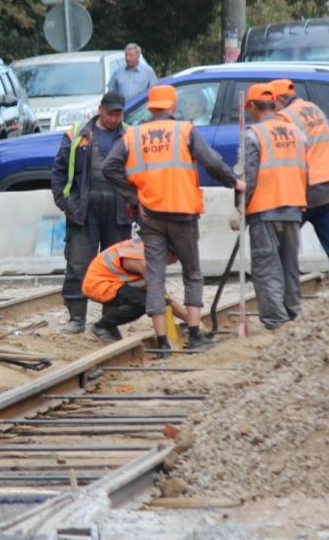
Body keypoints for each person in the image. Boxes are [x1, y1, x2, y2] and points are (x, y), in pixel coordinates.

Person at [102, 84, 245, 354]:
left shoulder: (133, 135)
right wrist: (234, 183)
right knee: (192, 272)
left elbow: (110, 167)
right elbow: (212, 163)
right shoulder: (185, 130)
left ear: (152, 107)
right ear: (172, 106)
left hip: (151, 214)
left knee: (155, 276)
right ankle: (194, 334)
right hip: (182, 212)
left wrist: (135, 197)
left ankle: (163, 342)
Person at [49, 89, 136, 336]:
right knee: (78, 263)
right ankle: (77, 317)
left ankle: (109, 321)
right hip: (83, 210)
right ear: (100, 110)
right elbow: (58, 171)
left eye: (119, 114)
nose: (115, 119)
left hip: (119, 211)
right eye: (111, 114)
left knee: (116, 266)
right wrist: (65, 203)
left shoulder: (130, 135)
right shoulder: (77, 134)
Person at [241, 83, 307, 329]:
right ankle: (293, 314)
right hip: (293, 207)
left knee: (267, 267)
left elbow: (248, 176)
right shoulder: (296, 132)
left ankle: (276, 321)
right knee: (290, 265)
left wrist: (241, 208)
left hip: (264, 209)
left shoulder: (253, 134)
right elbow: (304, 171)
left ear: (253, 107)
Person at [272, 78, 329, 277]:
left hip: (304, 193)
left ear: (279, 100)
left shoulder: (284, 118)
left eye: (272, 103)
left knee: (279, 248)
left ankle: (286, 297)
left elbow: (282, 158)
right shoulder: (314, 109)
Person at [82, 238, 188, 341]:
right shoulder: (143, 261)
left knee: (144, 298)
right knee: (143, 302)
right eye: (176, 258)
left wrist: (189, 319)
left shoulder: (148, 252)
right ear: (167, 253)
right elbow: (158, 297)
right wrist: (189, 320)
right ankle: (102, 326)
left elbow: (163, 298)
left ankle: (110, 326)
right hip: (97, 285)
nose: (175, 262)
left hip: (110, 283)